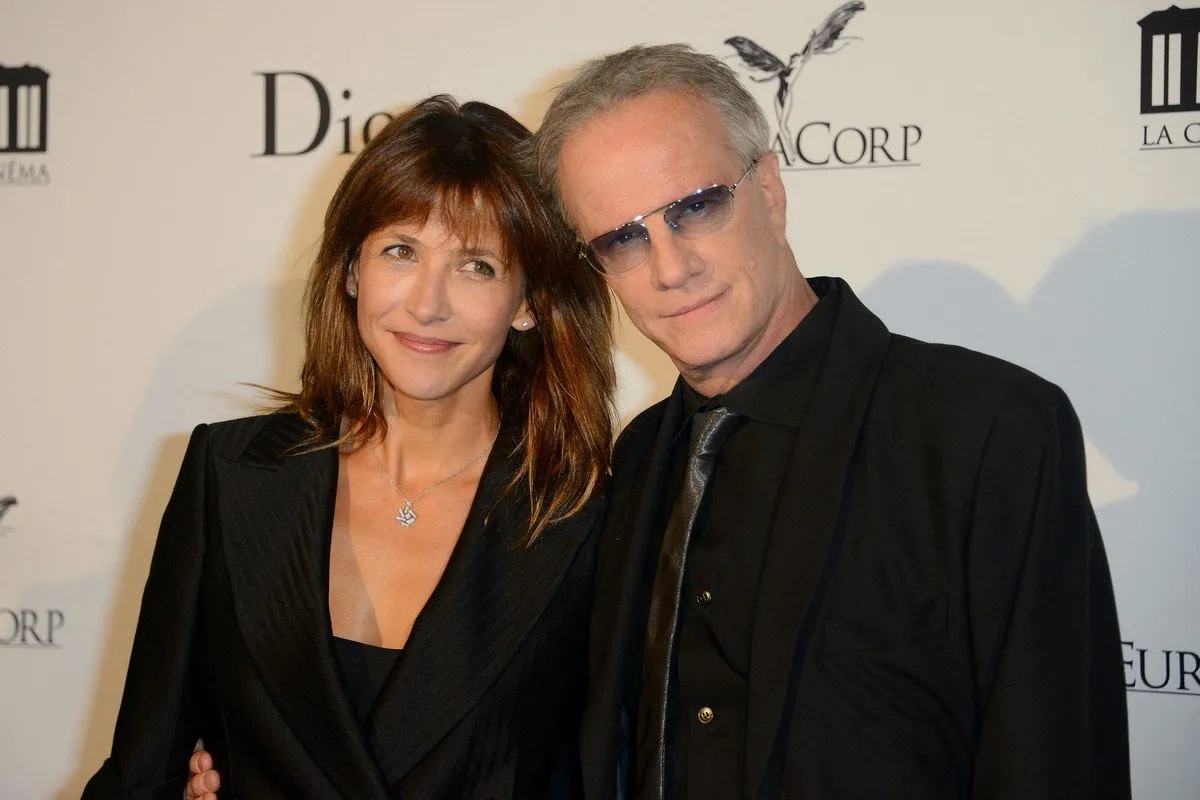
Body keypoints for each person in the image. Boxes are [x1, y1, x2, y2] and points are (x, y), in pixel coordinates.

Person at [531, 44, 1130, 798]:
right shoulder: (642, 456)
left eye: (696, 206)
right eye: (622, 238)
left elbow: (1056, 764)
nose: (669, 266)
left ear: (772, 191)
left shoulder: (985, 432)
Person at [82, 94, 616, 799]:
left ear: (529, 302)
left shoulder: (587, 512)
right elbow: (142, 769)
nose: (428, 303)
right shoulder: (230, 475)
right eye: (401, 251)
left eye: (477, 266)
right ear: (352, 271)